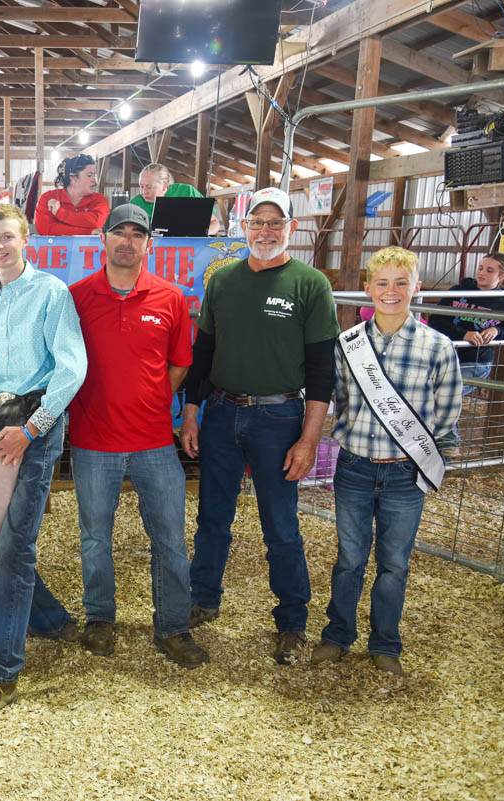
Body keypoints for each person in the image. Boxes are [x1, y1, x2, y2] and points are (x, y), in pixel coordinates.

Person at [180, 186, 339, 666]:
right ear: (244, 227)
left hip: (279, 417)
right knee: (212, 516)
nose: (265, 231)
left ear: (291, 228)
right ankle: (203, 598)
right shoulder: (223, 281)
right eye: (257, 222)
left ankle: (291, 620)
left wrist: (309, 438)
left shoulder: (310, 284)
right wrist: (191, 412)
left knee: (281, 523)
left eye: (275, 223)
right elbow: (203, 353)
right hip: (221, 411)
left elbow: (322, 369)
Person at [0, 203, 87, 721]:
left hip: (34, 429)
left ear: (26, 238)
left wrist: (32, 429)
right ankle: (51, 621)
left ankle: (2, 673)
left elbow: (72, 367)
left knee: (13, 546)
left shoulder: (52, 293)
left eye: (7, 236)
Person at [311, 247, 462, 676]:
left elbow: (447, 414)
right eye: (382, 283)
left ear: (417, 287)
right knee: (349, 558)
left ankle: (385, 643)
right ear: (367, 289)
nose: (391, 291)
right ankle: (338, 635)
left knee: (394, 563)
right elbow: (340, 399)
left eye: (401, 283)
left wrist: (429, 461)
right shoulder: (348, 345)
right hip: (355, 466)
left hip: (404, 472)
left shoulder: (438, 347)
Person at [68, 204, 206, 667]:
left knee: (170, 539)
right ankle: (99, 618)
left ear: (149, 243)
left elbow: (180, 362)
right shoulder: (76, 297)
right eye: (119, 232)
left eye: (137, 234)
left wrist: (152, 397)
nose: (127, 241)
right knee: (95, 538)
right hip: (93, 441)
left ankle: (173, 627)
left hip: (154, 442)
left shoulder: (171, 297)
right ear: (102, 239)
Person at [428, 252, 504, 395]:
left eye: (489, 270)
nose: (482, 273)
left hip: (475, 361)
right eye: (480, 268)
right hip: (445, 355)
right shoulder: (457, 292)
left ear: (502, 275)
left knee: (447, 393)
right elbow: (436, 320)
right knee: (432, 392)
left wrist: (496, 330)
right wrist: (463, 334)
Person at [130, 163, 220, 236]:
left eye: (149, 187)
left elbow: (214, 222)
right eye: (141, 186)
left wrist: (202, 233)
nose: (143, 192)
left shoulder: (187, 192)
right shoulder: (135, 204)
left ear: (164, 185)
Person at [33, 154, 109, 236]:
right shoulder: (47, 198)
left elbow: (96, 222)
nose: (94, 180)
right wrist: (89, 232)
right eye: (89, 175)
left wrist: (60, 213)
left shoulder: (100, 200)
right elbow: (46, 229)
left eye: (94, 175)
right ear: (73, 177)